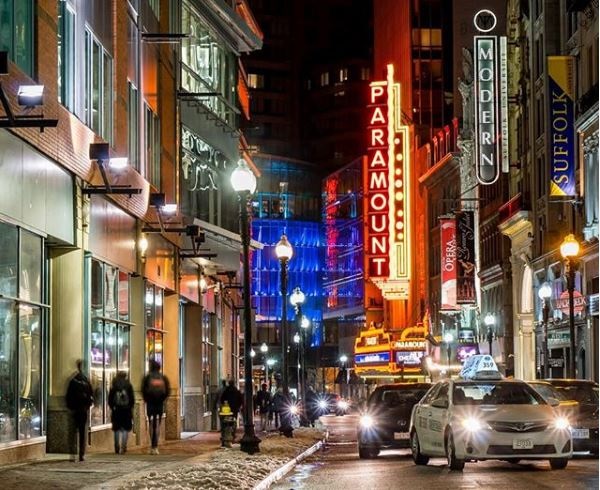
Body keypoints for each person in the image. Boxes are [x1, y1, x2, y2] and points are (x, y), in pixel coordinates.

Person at [65, 360, 94, 462]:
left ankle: (72, 454)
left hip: (74, 411)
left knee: (72, 433)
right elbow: (91, 395)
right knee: (82, 433)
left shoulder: (73, 380)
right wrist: (87, 406)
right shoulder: (86, 381)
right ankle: (81, 454)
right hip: (83, 411)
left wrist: (70, 407)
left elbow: (68, 397)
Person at [142, 360, 170, 455]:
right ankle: (155, 446)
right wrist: (162, 400)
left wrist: (147, 399)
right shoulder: (163, 378)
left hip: (150, 403)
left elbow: (143, 390)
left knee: (151, 423)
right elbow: (167, 392)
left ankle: (152, 445)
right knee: (157, 424)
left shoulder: (147, 378)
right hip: (159, 404)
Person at [108, 371, 135, 454]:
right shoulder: (128, 386)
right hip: (126, 410)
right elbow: (132, 399)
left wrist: (113, 407)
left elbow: (110, 399)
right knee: (125, 429)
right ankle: (123, 447)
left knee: (116, 429)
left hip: (116, 411)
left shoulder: (114, 386)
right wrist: (130, 408)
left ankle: (116, 447)